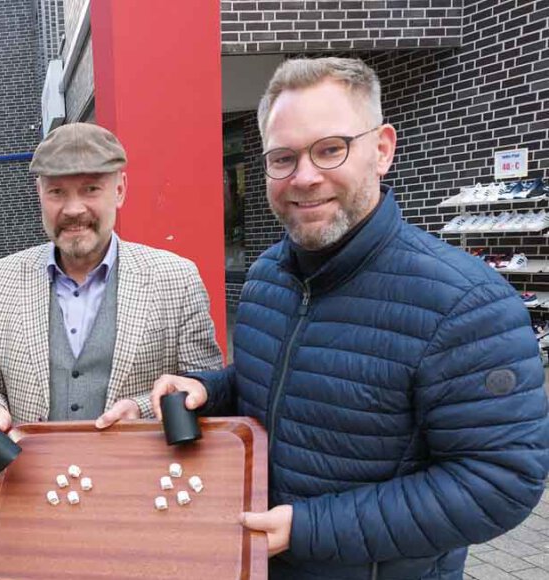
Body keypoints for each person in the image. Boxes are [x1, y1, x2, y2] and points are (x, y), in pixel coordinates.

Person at [150, 58, 549, 579]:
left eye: (330, 149)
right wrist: (211, 390)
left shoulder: (467, 302)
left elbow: (499, 482)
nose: (305, 177)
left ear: (382, 149)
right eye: (283, 158)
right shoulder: (269, 275)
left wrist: (310, 529)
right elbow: (288, 387)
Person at [0, 122, 223, 457]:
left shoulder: (177, 278)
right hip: (33, 485)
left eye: (90, 189)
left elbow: (207, 389)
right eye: (57, 192)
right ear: (39, 193)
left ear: (120, 190)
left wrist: (141, 409)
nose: (73, 209)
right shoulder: (1, 280)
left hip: (141, 488)